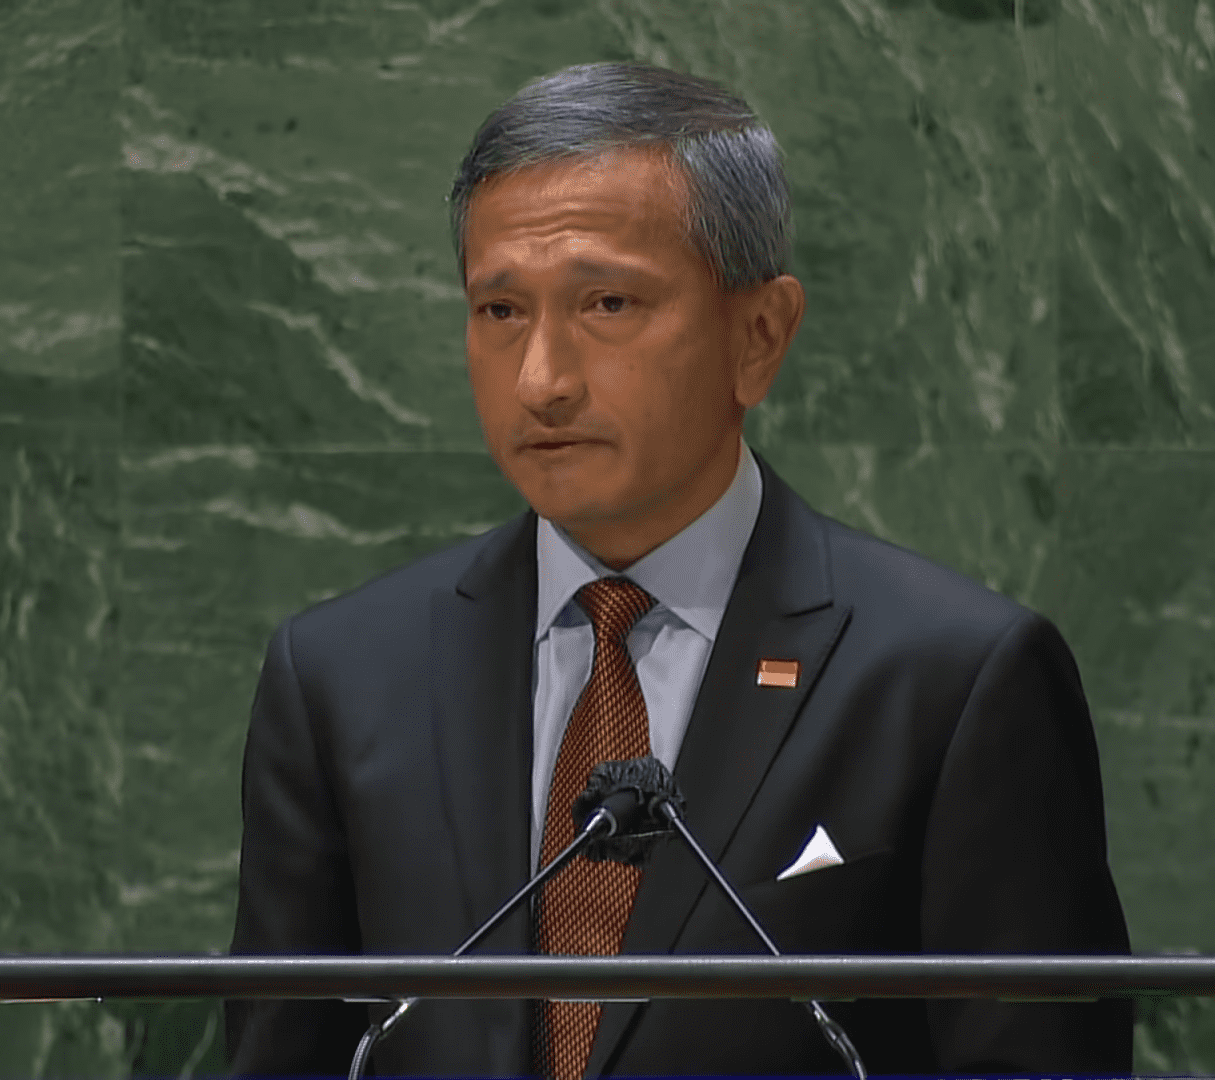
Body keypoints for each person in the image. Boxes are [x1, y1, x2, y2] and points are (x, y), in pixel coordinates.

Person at [226, 62, 1132, 1077]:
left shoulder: (954, 681)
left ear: (759, 336)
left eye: (607, 303)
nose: (543, 380)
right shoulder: (343, 678)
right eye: (500, 312)